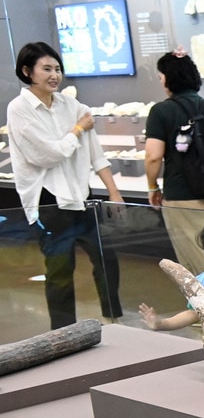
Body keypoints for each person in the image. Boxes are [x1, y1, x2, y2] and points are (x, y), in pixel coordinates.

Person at [6, 41, 125, 329]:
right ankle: (62, 333)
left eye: (57, 69)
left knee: (107, 259)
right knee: (60, 271)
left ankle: (114, 319)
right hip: (49, 201)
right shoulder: (19, 108)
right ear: (27, 71)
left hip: (82, 197)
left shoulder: (74, 106)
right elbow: (48, 155)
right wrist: (77, 129)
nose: (54, 75)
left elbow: (96, 154)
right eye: (46, 69)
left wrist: (113, 191)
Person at [144, 48, 204, 277]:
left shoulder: (161, 112)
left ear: (168, 79)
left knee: (200, 266)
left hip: (183, 197)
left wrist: (152, 187)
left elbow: (153, 156)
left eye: (161, 77)